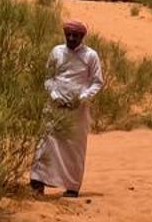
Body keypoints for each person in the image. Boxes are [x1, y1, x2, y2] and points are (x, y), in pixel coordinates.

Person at [30, 19, 104, 197]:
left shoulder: (91, 56)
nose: (71, 38)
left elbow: (97, 82)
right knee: (46, 142)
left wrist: (82, 98)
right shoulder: (57, 51)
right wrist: (54, 96)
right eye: (68, 35)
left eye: (75, 36)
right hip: (54, 106)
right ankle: (37, 182)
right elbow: (48, 78)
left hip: (77, 110)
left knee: (73, 147)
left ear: (82, 37)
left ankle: (72, 187)